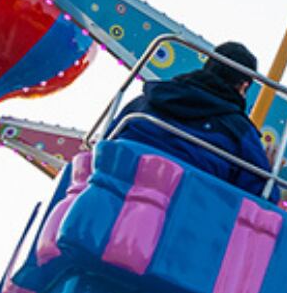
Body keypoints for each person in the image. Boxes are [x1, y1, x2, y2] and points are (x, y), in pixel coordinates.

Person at [108, 41, 273, 195]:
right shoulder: (241, 130)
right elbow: (261, 195)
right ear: (243, 86)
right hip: (185, 204)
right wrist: (268, 173)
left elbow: (108, 138)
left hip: (115, 186)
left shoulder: (149, 99)